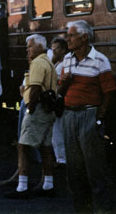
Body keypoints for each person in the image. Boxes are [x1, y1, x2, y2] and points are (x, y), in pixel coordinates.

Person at [59, 20, 116, 212]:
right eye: (67, 35)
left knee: (94, 167)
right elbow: (60, 90)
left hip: (88, 114)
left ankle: (102, 210)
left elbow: (109, 91)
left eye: (72, 35)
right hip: (69, 115)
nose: (67, 39)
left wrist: (99, 116)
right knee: (74, 169)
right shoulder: (67, 59)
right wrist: (64, 83)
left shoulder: (100, 60)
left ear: (84, 37)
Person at [5, 34, 57, 199]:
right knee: (46, 147)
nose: (27, 49)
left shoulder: (37, 63)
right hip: (49, 109)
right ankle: (48, 184)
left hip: (38, 109)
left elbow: (34, 88)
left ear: (40, 47)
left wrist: (30, 107)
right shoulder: (48, 61)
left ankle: (22, 186)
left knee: (23, 146)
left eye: (30, 46)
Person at [50, 37, 68, 167]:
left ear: (63, 49)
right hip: (57, 99)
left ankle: (61, 159)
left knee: (58, 130)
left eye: (55, 49)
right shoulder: (57, 63)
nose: (53, 51)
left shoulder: (65, 63)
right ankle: (60, 157)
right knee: (56, 130)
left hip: (60, 100)